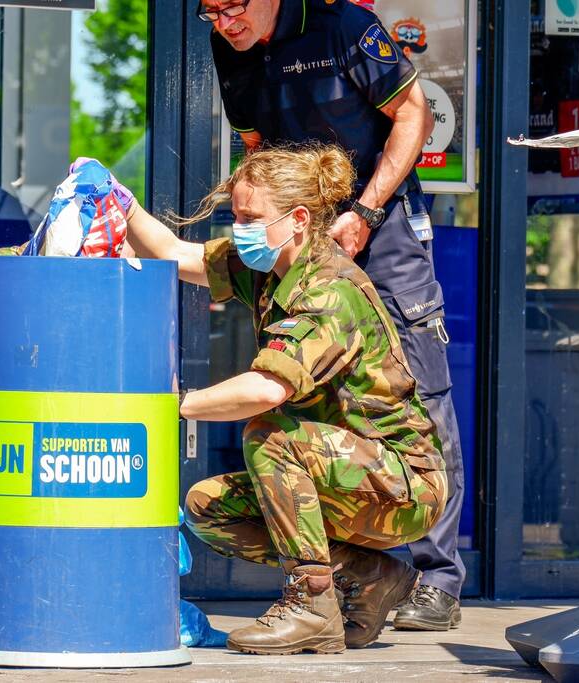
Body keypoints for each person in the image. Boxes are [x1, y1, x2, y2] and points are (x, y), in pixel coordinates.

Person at [200, 0, 467, 630]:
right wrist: (248, 245)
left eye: (231, 7)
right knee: (302, 407)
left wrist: (366, 212)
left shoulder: (343, 25)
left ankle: (437, 580)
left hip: (382, 229)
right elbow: (259, 153)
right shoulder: (228, 47)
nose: (222, 23)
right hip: (299, 238)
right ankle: (365, 576)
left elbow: (414, 115)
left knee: (420, 398)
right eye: (207, 12)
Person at [121, 144, 448, 654]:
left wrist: (171, 404)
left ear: (297, 219)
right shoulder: (271, 266)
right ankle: (369, 576)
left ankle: (311, 603)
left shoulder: (328, 290)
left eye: (251, 217)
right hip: (346, 471)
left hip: (402, 483)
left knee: (271, 435)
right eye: (237, 215)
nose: (240, 227)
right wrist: (122, 203)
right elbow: (176, 254)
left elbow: (266, 389)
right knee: (210, 507)